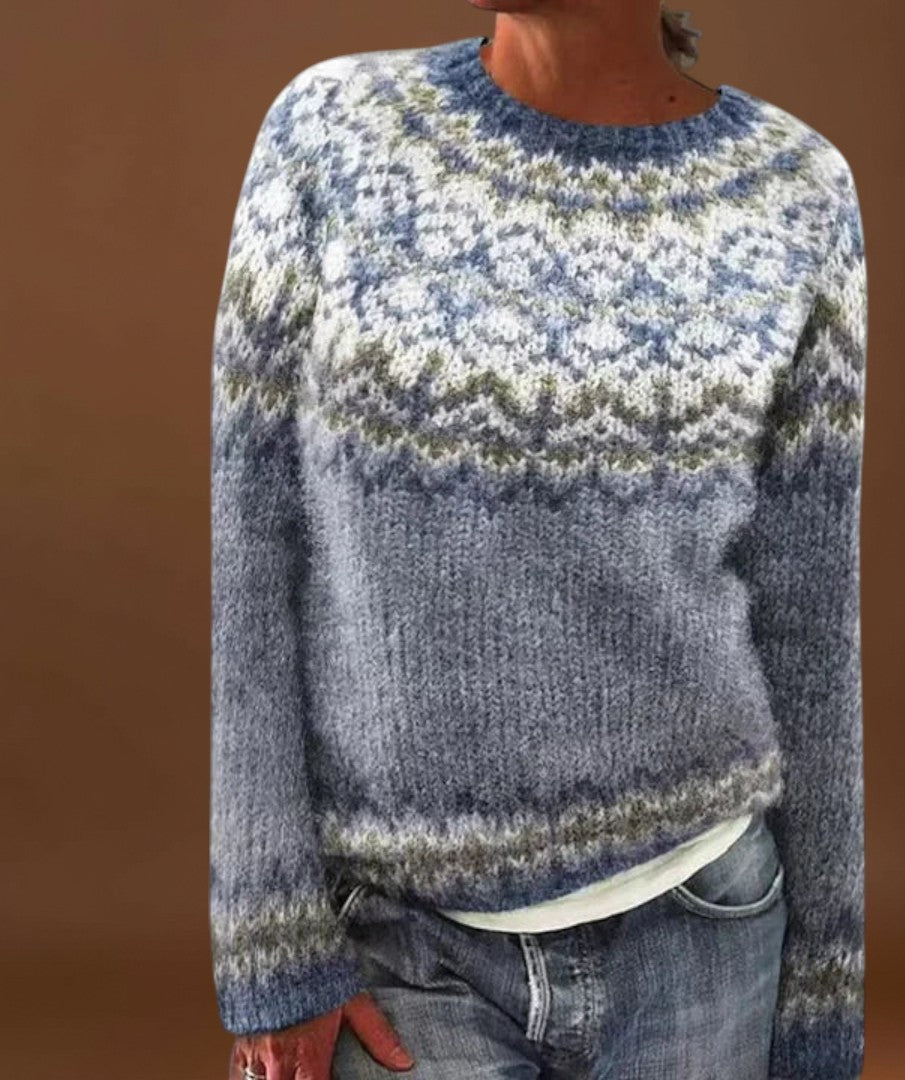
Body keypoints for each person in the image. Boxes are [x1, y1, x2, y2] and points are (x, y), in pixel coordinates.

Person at [209, 3, 869, 1079]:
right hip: (402, 945)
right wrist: (270, 943)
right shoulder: (333, 133)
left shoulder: (796, 190)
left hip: (705, 927)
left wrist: (823, 999)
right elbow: (252, 555)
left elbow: (809, 619)